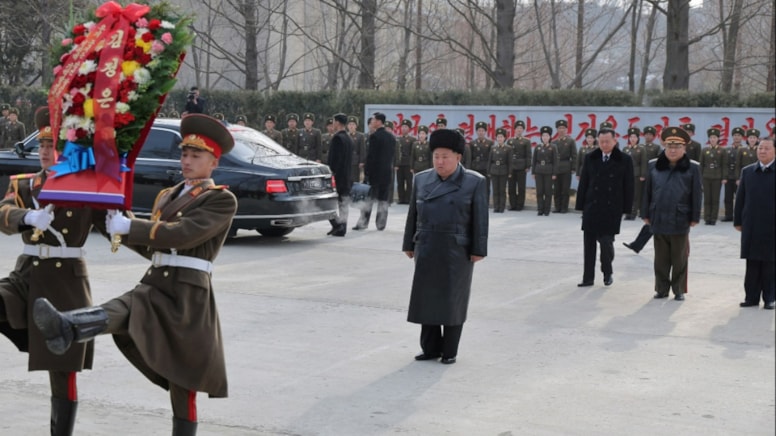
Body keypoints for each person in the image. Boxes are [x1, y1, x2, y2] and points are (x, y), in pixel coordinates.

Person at [33, 114, 237, 435]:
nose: (186, 160)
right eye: (184, 153)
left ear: (214, 162)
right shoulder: (167, 195)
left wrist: (132, 226)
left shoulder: (221, 200)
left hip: (188, 296)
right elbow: (153, 247)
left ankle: (69, 327)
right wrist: (115, 219)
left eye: (196, 156)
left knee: (182, 385)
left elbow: (183, 234)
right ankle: (68, 326)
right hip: (156, 282)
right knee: (124, 309)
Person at [0, 107, 103, 435]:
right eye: (42, 144)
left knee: (62, 370)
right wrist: (25, 218)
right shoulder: (25, 183)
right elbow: (2, 210)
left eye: (52, 144)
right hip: (26, 278)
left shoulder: (85, 186)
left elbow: (118, 225)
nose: (45, 150)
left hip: (65, 283)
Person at [402, 128, 488, 365]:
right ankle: (430, 348)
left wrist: (479, 248)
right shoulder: (421, 179)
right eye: (436, 156)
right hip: (426, 244)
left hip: (456, 248)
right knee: (426, 297)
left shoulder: (474, 182)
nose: (440, 162)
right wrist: (408, 242)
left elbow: (480, 220)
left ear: (458, 157)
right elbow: (413, 213)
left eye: (445, 156)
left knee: (452, 299)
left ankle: (449, 350)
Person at [641, 126, 702, 301]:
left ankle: (678, 289)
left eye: (677, 147)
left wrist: (695, 216)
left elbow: (697, 194)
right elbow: (647, 192)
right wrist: (645, 213)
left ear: (684, 149)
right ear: (665, 147)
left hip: (680, 217)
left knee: (680, 258)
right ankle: (661, 288)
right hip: (657, 217)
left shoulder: (692, 167)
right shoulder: (654, 165)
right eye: (669, 147)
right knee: (660, 258)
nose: (673, 150)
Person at [575, 127, 634, 287]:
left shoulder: (624, 159)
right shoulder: (590, 158)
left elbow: (628, 186)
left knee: (606, 242)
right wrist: (581, 205)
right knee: (589, 245)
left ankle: (607, 272)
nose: (604, 145)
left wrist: (627, 209)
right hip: (592, 207)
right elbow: (584, 183)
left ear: (615, 141)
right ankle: (588, 278)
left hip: (611, 208)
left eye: (607, 141)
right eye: (601, 142)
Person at [734, 138, 775, 310]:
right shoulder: (748, 171)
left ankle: (769, 298)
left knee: (770, 263)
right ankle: (751, 297)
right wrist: (738, 221)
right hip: (751, 223)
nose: (762, 151)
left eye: (766, 148)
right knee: (752, 263)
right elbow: (741, 198)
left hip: (772, 225)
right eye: (760, 148)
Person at [353, 112, 396, 231]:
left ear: (378, 122)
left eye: (373, 120)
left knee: (368, 199)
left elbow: (371, 157)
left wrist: (367, 173)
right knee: (383, 200)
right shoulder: (391, 137)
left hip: (375, 174)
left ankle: (363, 223)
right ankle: (381, 224)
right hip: (387, 173)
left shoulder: (375, 137)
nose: (372, 122)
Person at [327, 114, 354, 237]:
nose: (332, 123)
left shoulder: (337, 138)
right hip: (347, 174)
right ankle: (340, 226)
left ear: (337, 123)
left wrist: (331, 172)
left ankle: (339, 226)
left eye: (333, 121)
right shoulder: (348, 138)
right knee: (343, 202)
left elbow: (334, 160)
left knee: (331, 202)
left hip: (338, 176)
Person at [699, 128, 726, 225]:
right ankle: (707, 218)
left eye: (714, 137)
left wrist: (724, 177)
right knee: (707, 198)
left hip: (717, 177)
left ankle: (713, 218)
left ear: (718, 138)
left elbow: (724, 164)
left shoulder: (722, 150)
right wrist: (700, 178)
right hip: (706, 176)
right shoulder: (704, 150)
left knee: (715, 198)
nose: (713, 139)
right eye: (711, 137)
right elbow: (701, 165)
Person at [551, 119, 577, 213]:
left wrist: (574, 167)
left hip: (566, 166)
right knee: (556, 189)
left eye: (563, 128)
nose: (561, 130)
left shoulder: (570, 141)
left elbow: (574, 155)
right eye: (559, 128)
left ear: (566, 129)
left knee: (565, 189)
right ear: (557, 130)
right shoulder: (553, 142)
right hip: (556, 168)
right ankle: (557, 207)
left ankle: (564, 207)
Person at [532, 126, 558, 216]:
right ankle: (540, 209)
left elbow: (555, 161)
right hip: (538, 170)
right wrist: (533, 172)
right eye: (543, 136)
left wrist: (554, 173)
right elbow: (534, 160)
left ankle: (547, 210)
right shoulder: (538, 147)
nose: (545, 138)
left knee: (548, 191)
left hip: (548, 171)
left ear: (550, 137)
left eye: (547, 136)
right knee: (539, 191)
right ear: (541, 137)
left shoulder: (553, 147)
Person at [621, 127, 646, 220]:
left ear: (638, 138)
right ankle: (627, 212)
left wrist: (643, 175)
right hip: (626, 174)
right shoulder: (625, 149)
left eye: (634, 137)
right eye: (631, 137)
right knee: (627, 193)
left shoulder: (641, 149)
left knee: (635, 195)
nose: (632, 139)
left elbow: (643, 162)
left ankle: (633, 213)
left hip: (636, 175)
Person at [721, 126, 745, 222]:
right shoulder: (727, 150)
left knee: (740, 199)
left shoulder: (744, 150)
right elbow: (725, 164)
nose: (736, 137)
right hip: (729, 177)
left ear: (742, 137)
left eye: (738, 135)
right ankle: (728, 215)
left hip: (739, 178)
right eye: (735, 135)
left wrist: (740, 177)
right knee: (728, 198)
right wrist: (725, 177)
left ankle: (740, 217)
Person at [507, 120, 532, 211]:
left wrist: (528, 166)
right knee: (511, 187)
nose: (519, 130)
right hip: (512, 167)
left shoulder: (526, 141)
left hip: (522, 167)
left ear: (523, 130)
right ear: (514, 129)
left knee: (521, 187)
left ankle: (520, 205)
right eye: (517, 128)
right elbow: (507, 154)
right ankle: (512, 204)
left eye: (521, 128)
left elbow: (529, 155)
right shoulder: (510, 141)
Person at [488, 128, 512, 213]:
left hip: (503, 170)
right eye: (498, 137)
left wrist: (509, 172)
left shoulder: (508, 148)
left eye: (501, 137)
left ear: (504, 138)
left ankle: (502, 207)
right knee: (495, 189)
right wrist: (489, 171)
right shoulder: (493, 148)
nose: (500, 139)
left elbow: (509, 161)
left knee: (502, 190)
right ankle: (496, 206)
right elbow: (490, 161)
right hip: (494, 170)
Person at [469, 121, 492, 201]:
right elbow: (470, 157)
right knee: (474, 186)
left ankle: (486, 202)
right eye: (479, 131)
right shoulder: (472, 143)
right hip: (475, 167)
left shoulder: (490, 143)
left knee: (486, 186)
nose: (481, 133)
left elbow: (491, 157)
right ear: (476, 132)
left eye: (482, 131)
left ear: (485, 132)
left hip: (485, 168)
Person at [395, 119, 415, 204]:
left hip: (408, 164)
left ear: (409, 129)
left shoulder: (412, 140)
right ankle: (401, 198)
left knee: (409, 182)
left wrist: (412, 166)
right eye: (402, 126)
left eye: (406, 127)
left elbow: (413, 154)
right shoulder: (397, 139)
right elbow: (395, 153)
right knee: (400, 182)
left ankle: (408, 198)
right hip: (399, 164)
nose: (403, 128)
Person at [347, 116, 367, 184]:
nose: (351, 126)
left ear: (356, 126)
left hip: (355, 161)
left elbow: (362, 149)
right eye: (350, 124)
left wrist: (361, 161)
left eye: (353, 124)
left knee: (355, 180)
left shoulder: (360, 136)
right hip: (346, 161)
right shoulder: (345, 135)